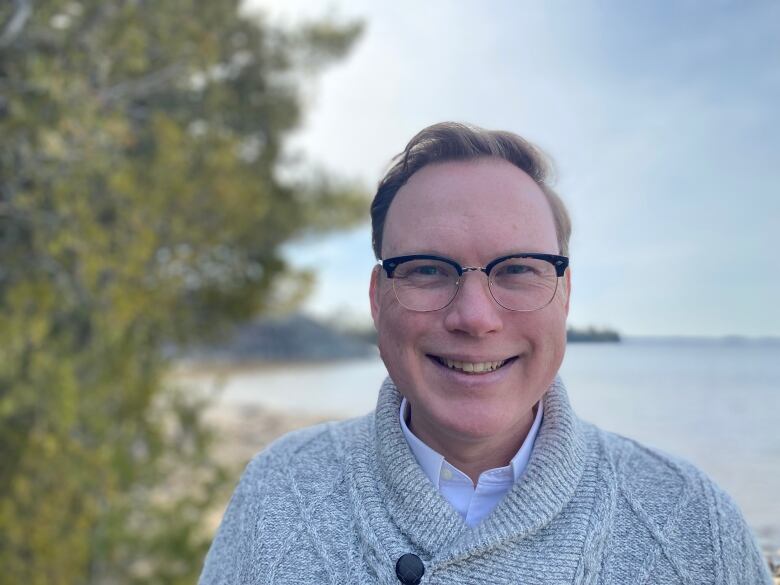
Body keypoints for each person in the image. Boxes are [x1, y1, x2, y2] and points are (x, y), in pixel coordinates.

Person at [199, 122, 772, 584]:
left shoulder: (694, 524)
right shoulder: (281, 493)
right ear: (378, 299)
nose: (475, 316)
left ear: (564, 296)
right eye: (427, 269)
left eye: (518, 269)